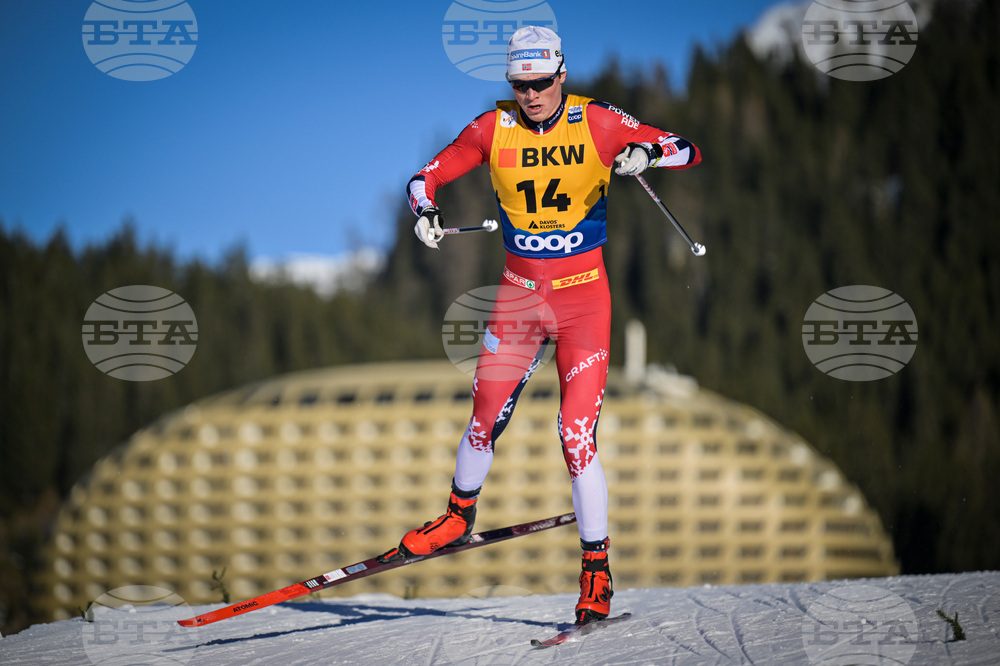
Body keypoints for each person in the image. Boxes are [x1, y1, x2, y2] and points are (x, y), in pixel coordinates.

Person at [378, 25, 701, 625]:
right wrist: (423, 210)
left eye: (541, 82)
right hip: (520, 301)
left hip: (585, 303)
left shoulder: (597, 121)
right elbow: (423, 177)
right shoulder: (490, 129)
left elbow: (687, 147)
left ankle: (596, 573)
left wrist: (645, 152)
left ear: (561, 74)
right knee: (483, 417)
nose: (530, 95)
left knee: (575, 436)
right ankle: (456, 516)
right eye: (519, 84)